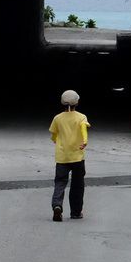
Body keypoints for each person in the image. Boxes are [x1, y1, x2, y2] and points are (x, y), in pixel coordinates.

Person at [49, 89, 90, 222]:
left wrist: (55, 139)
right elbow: (84, 128)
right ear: (77, 103)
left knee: (60, 182)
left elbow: (53, 134)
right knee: (77, 184)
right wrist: (84, 141)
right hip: (77, 156)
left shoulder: (57, 118)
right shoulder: (81, 117)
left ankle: (57, 206)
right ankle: (76, 212)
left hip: (62, 157)